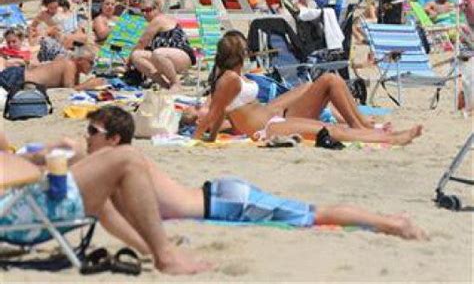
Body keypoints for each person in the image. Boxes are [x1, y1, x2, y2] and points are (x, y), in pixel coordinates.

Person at [53, 105, 426, 240]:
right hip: (220, 197)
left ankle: (393, 224)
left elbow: (73, 163)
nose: (87, 140)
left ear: (115, 139)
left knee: (316, 214)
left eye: (93, 133)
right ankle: (389, 221)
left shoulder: (126, 160)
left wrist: (64, 152)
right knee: (313, 212)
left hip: (225, 203)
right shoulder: (118, 169)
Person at [0, 149, 210, 275]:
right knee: (126, 160)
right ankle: (166, 257)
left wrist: (32, 158)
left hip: (19, 205)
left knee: (90, 157)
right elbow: (12, 171)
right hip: (17, 214)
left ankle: (147, 246)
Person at [194, 32, 423, 147]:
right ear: (238, 54)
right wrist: (196, 139)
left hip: (272, 120)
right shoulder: (229, 80)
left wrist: (210, 137)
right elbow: (214, 113)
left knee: (330, 85)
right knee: (328, 130)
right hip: (268, 128)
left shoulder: (230, 78)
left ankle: (372, 130)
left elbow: (218, 113)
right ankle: (391, 138)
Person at [129, 0, 195, 89]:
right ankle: (164, 85)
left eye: (148, 10)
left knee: (158, 53)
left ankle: (175, 83)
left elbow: (142, 43)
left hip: (182, 56)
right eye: (142, 11)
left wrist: (128, 63)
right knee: (136, 56)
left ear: (157, 8)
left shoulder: (159, 19)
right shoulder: (154, 22)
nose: (144, 14)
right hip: (166, 58)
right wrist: (132, 59)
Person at [0, 48, 103, 92]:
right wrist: (88, 84)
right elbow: (69, 89)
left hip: (19, 76)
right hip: (18, 78)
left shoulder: (73, 67)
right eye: (91, 62)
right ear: (80, 60)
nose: (92, 66)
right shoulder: (69, 65)